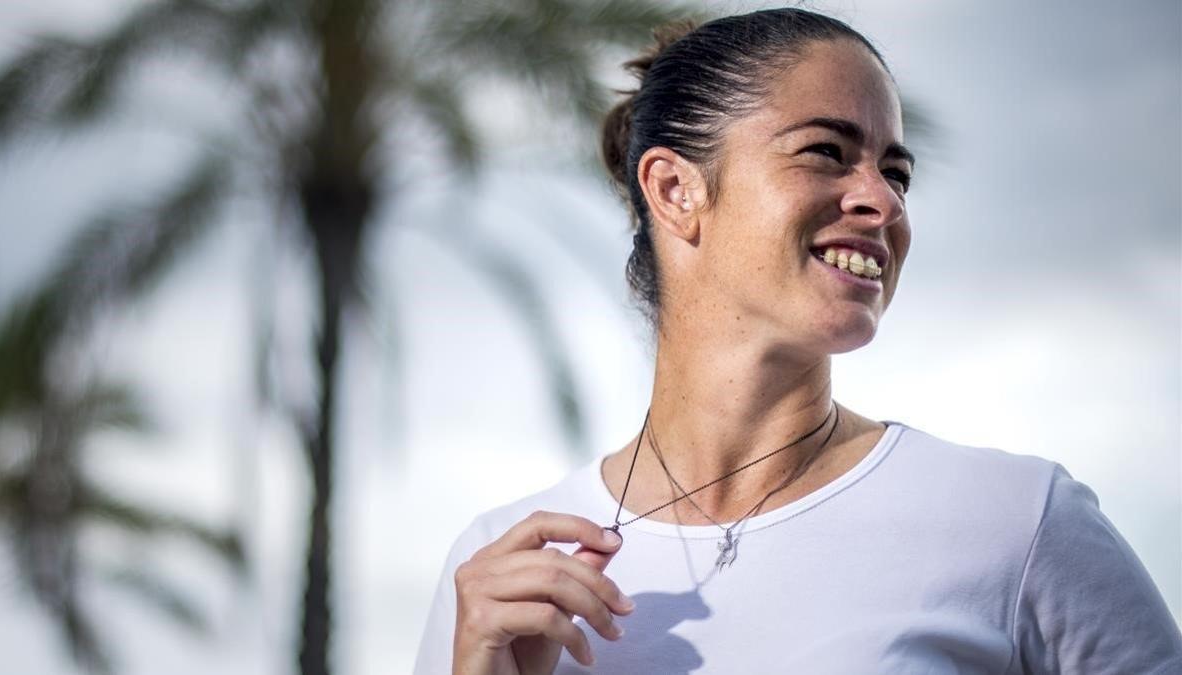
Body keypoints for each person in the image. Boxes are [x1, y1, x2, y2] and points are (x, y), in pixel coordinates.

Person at [414, 8, 1182, 674]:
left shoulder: (1018, 522)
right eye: (826, 150)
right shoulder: (504, 573)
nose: (880, 199)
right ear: (677, 191)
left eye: (897, 171)